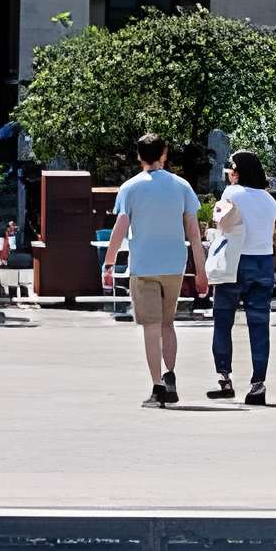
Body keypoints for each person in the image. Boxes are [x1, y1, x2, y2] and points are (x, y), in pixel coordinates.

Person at [107, 131, 205, 408]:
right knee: (167, 324)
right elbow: (194, 233)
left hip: (144, 266)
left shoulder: (130, 188)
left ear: (139, 156)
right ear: (164, 154)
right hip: (174, 265)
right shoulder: (182, 186)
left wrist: (109, 261)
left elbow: (120, 228)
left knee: (150, 327)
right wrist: (201, 271)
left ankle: (157, 386)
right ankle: (170, 374)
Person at [205, 150, 276, 407]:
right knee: (259, 324)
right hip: (263, 262)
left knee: (223, 318)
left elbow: (221, 222)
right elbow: (271, 231)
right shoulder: (268, 200)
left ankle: (225, 379)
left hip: (235, 262)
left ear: (238, 172)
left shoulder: (232, 193)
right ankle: (258, 384)